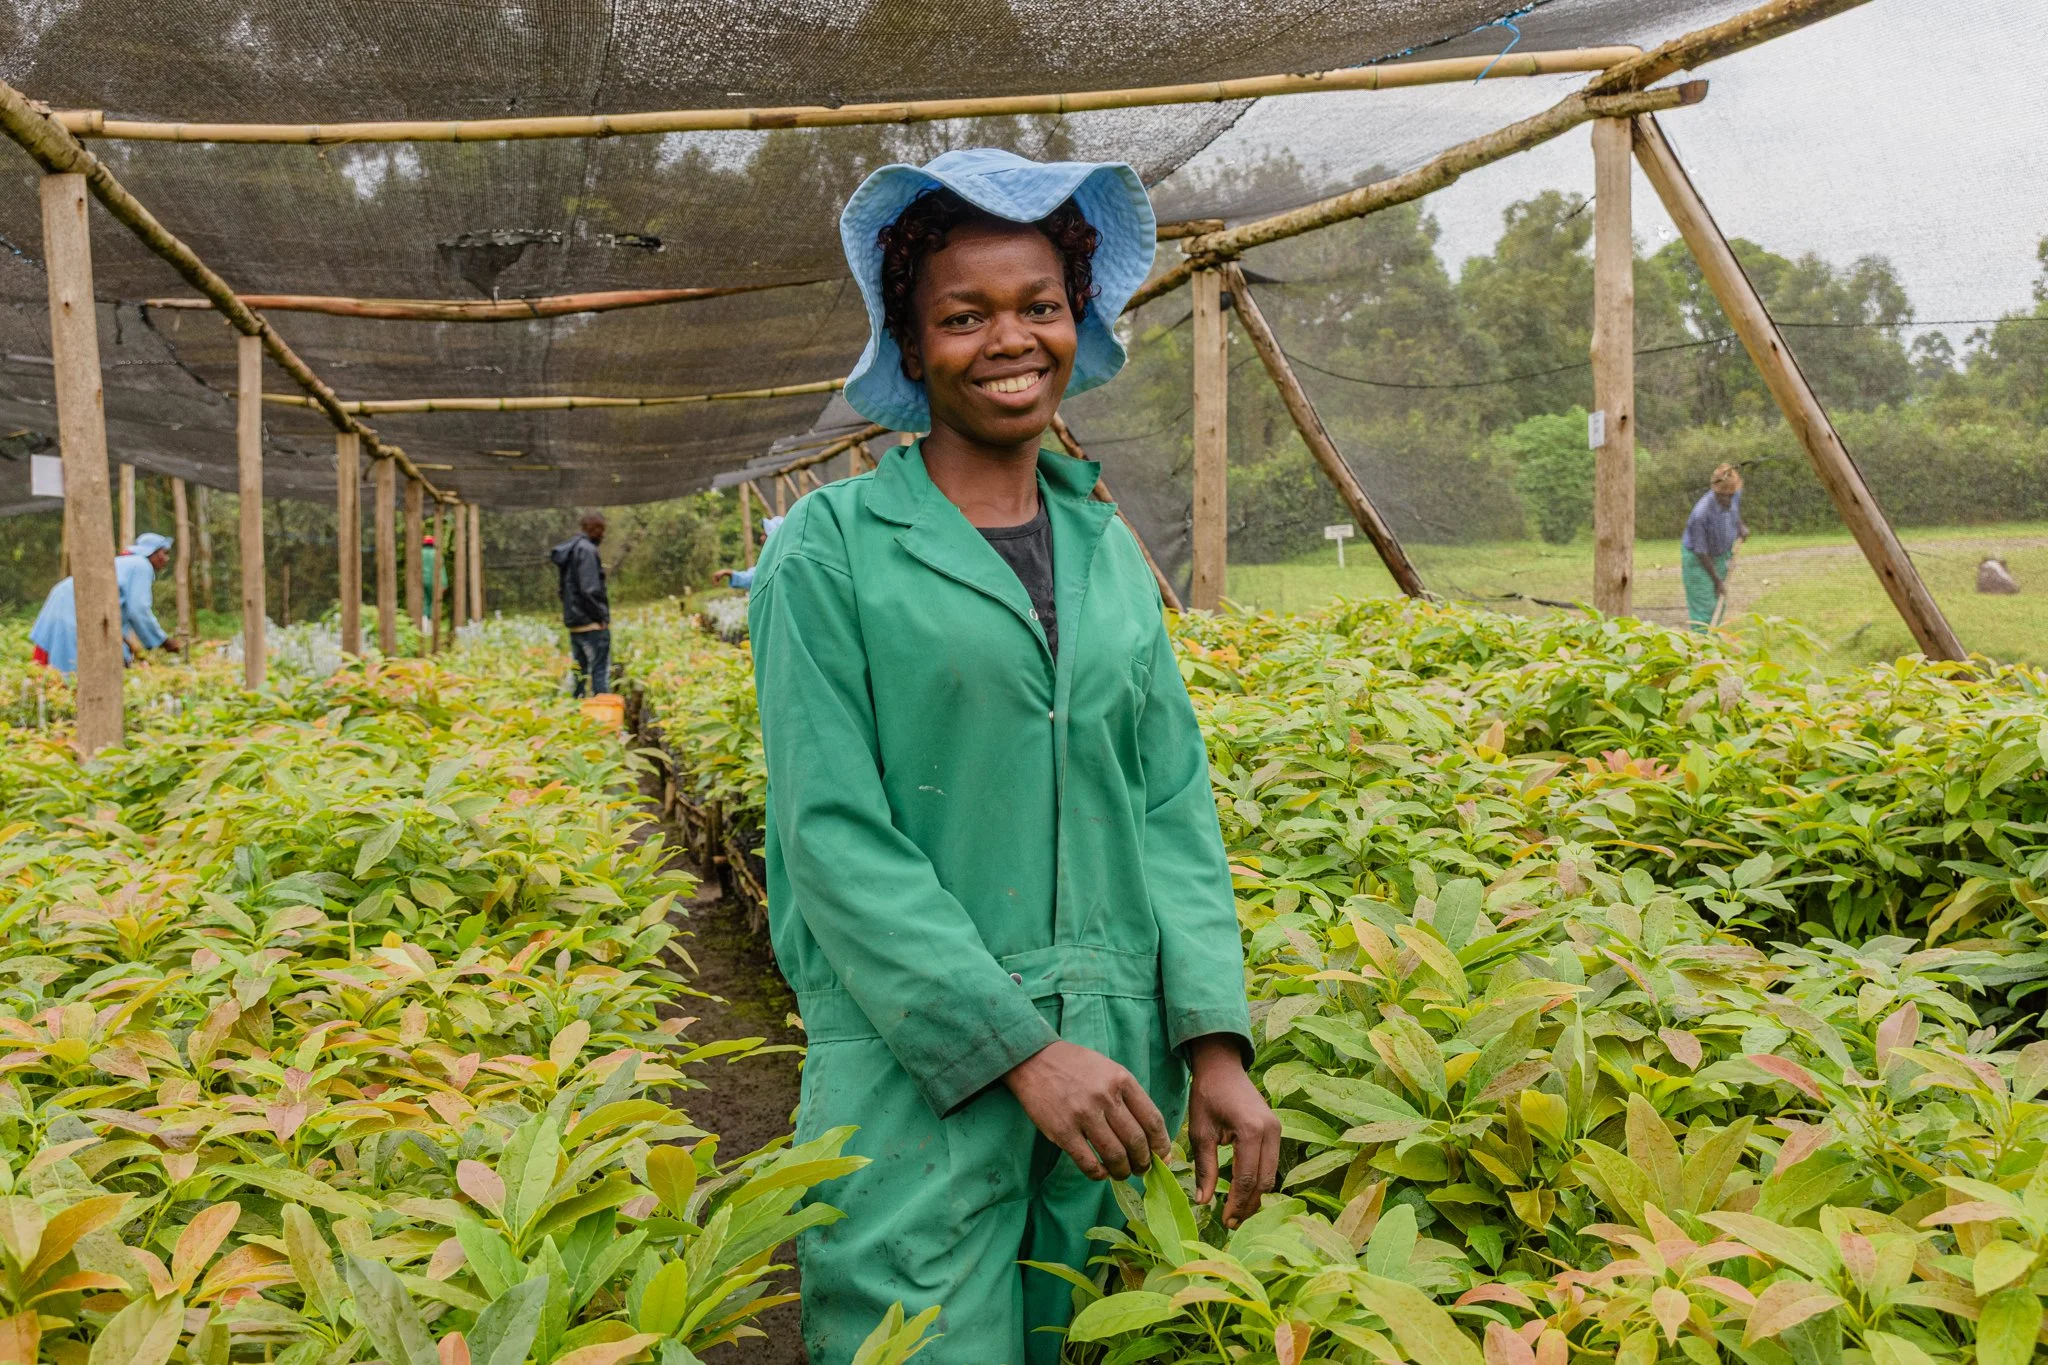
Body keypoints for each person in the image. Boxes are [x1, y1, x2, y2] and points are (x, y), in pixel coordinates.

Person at [750, 148, 1276, 1365]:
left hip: (1117, 1067)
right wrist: (1017, 1050)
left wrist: (1213, 1043)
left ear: (1075, 317)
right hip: (912, 1070)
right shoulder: (830, 551)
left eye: (1038, 305)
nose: (1009, 339)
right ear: (910, 339)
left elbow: (1167, 807)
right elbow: (830, 836)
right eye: (964, 314)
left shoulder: (1103, 547)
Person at [31, 532, 181, 671]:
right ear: (152, 552)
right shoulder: (141, 566)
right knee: (69, 668)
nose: (167, 559)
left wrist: (130, 651)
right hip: (73, 605)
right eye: (165, 553)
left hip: (65, 599)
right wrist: (163, 641)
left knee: (49, 664)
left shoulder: (127, 564)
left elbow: (117, 620)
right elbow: (138, 610)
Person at [1682, 463, 1749, 630]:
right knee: (1705, 608)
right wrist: (1717, 580)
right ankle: (1702, 648)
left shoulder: (1734, 495)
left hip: (1722, 556)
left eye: (1732, 495)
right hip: (1699, 561)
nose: (1729, 500)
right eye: (1724, 496)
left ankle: (1714, 642)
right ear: (1716, 491)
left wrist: (1740, 526)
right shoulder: (1701, 514)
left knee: (1720, 604)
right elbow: (1701, 551)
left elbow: (1735, 511)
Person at [550, 513, 610, 696]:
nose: (603, 536)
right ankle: (603, 716)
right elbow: (589, 589)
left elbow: (563, 590)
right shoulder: (587, 550)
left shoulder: (570, 550)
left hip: (575, 622)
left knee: (580, 671)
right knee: (599, 670)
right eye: (602, 531)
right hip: (591, 623)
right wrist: (601, 617)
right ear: (596, 530)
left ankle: (577, 711)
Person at [712, 515, 783, 590]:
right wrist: (729, 573)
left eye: (765, 535)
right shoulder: (772, 559)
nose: (761, 538)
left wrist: (729, 573)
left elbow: (754, 578)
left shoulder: (777, 562)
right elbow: (754, 575)